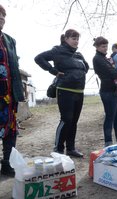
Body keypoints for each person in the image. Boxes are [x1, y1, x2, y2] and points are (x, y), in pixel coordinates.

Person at [35, 29, 89, 158]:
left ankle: (70, 148)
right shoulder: (57, 51)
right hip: (65, 91)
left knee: (74, 121)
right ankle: (58, 148)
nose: (76, 41)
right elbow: (39, 58)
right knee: (66, 120)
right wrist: (53, 70)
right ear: (66, 39)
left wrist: (78, 75)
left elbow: (85, 67)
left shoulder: (79, 55)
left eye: (77, 39)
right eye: (73, 38)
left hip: (79, 92)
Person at [92, 36, 117, 147]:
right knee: (110, 116)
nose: (105, 48)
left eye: (106, 46)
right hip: (108, 91)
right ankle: (108, 143)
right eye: (103, 46)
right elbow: (111, 72)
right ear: (97, 47)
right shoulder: (97, 59)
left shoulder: (108, 58)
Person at [0, 5, 25, 176]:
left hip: (8, 95)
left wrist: (19, 90)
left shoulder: (9, 40)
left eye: (3, 15)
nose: (2, 18)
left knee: (10, 130)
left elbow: (15, 67)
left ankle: (7, 164)